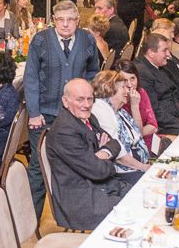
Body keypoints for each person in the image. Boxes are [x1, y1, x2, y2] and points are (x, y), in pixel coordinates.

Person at [23, 0, 100, 218]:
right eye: (60, 20)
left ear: (78, 21)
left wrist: (86, 100)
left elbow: (93, 71)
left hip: (75, 116)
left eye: (70, 20)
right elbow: (31, 78)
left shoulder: (87, 39)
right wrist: (34, 113)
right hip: (45, 114)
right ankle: (29, 219)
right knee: (38, 166)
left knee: (78, 163)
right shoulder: (40, 40)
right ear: (53, 21)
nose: (65, 24)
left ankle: (79, 215)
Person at [44, 78, 128, 230]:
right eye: (80, 99)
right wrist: (105, 159)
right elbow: (98, 171)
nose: (87, 104)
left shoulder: (89, 117)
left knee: (142, 194)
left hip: (101, 187)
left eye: (90, 99)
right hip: (82, 201)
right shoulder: (64, 131)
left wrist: (102, 153)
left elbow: (115, 144)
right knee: (133, 210)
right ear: (65, 101)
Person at [91, 70, 151, 174]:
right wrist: (143, 167)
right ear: (109, 88)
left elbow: (139, 134)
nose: (127, 91)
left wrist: (134, 106)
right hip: (123, 171)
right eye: (123, 87)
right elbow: (118, 153)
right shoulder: (100, 108)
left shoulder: (119, 111)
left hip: (137, 165)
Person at [135, 33, 179, 135]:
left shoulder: (159, 66)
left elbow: (171, 93)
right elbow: (153, 110)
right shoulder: (142, 73)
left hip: (173, 118)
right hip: (161, 126)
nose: (168, 54)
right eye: (164, 50)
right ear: (151, 53)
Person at [114, 59, 158, 154]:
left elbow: (154, 126)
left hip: (152, 143)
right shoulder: (117, 100)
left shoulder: (141, 92)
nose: (130, 85)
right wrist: (134, 106)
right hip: (133, 149)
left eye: (132, 78)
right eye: (124, 80)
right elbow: (136, 134)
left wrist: (138, 133)